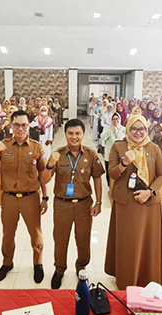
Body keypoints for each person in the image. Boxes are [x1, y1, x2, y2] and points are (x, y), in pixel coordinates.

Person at [0, 110, 49, 284]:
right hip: (9, 198)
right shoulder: (3, 146)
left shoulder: (36, 147)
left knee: (35, 234)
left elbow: (42, 174)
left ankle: (38, 263)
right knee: (8, 234)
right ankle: (7, 262)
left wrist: (45, 197)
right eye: (17, 124)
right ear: (11, 125)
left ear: (29, 126)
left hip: (31, 197)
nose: (20, 128)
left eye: (24, 125)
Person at [104, 115, 162, 289]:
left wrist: (150, 192)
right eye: (134, 129)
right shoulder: (119, 146)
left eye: (142, 129)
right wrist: (124, 162)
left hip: (148, 203)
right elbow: (112, 174)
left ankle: (146, 277)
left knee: (146, 241)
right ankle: (125, 279)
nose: (138, 133)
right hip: (126, 203)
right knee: (127, 242)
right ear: (128, 129)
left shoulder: (153, 148)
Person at [41, 119, 104, 289]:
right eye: (70, 133)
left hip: (84, 204)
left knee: (83, 239)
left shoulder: (91, 155)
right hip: (62, 205)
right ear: (66, 134)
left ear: (83, 135)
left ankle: (81, 266)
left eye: (78, 133)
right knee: (60, 239)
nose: (74, 137)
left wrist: (98, 202)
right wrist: (49, 165)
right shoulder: (57, 154)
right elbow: (44, 180)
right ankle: (59, 269)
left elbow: (97, 179)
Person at [100, 113, 126, 185]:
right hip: (109, 155)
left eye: (117, 119)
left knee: (119, 172)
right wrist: (110, 131)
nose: (115, 121)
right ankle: (109, 186)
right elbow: (102, 137)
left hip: (120, 155)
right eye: (113, 119)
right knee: (109, 172)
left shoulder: (124, 129)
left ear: (120, 120)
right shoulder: (107, 128)